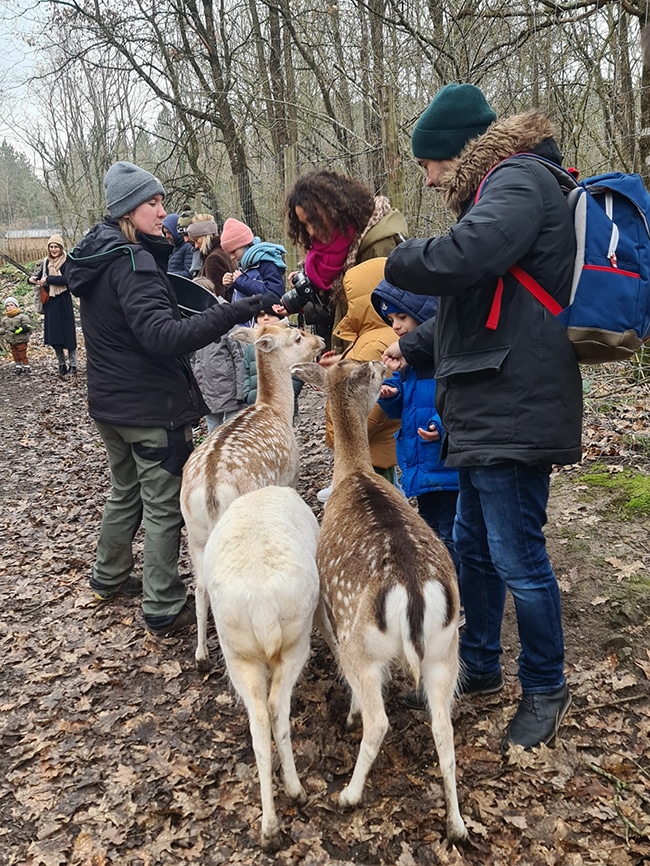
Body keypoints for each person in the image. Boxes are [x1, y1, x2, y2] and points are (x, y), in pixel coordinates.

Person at [383, 83, 581, 751]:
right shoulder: (499, 194)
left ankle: (546, 686)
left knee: (518, 555)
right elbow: (467, 315)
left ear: (453, 152)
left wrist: (392, 255)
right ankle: (479, 670)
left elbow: (460, 259)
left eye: (429, 163)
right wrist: (407, 350)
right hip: (485, 404)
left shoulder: (520, 183)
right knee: (471, 547)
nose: (428, 177)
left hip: (513, 405)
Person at [66, 160, 266, 637]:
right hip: (149, 407)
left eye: (160, 202)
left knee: (125, 490)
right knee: (160, 502)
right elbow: (161, 336)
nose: (162, 213)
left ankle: (108, 577)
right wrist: (229, 315)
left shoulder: (98, 259)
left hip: (111, 407)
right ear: (128, 211)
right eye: (151, 205)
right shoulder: (133, 262)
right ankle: (162, 604)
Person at [372, 281, 459, 570]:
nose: (396, 326)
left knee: (451, 533)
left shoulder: (444, 356)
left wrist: (440, 425)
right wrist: (390, 394)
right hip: (422, 465)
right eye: (391, 320)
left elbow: (457, 399)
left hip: (445, 464)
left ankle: (457, 589)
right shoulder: (408, 362)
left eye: (402, 317)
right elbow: (401, 409)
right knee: (430, 530)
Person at [285, 169, 407, 349]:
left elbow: (385, 325)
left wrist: (346, 362)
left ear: (335, 209)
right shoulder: (334, 253)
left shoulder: (379, 247)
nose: (310, 231)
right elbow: (347, 312)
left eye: (314, 220)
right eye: (304, 224)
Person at [316, 257, 400, 502]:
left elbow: (373, 406)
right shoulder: (378, 336)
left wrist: (346, 436)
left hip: (365, 450)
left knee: (376, 502)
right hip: (376, 447)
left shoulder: (372, 343)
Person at [242, 302, 304, 423]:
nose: (265, 318)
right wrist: (248, 395)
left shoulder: (290, 340)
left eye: (270, 314)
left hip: (283, 405)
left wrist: (291, 392)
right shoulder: (251, 344)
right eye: (260, 316)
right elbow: (246, 372)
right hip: (256, 405)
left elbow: (298, 370)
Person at [29, 234, 77, 376]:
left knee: (69, 335)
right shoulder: (46, 262)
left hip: (64, 301)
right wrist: (30, 279)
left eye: (56, 246)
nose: (54, 249)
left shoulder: (68, 261)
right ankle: (61, 364)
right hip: (51, 303)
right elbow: (39, 277)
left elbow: (68, 279)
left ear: (61, 247)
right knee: (55, 336)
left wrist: (49, 279)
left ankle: (73, 365)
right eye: (51, 247)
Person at [220, 218, 286, 301]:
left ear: (245, 243)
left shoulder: (267, 263)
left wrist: (241, 281)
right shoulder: (245, 263)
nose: (231, 257)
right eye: (228, 253)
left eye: (233, 251)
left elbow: (274, 294)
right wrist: (231, 284)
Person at [187, 219, 236, 300]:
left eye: (196, 240)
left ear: (205, 237)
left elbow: (216, 296)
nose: (195, 246)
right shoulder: (223, 252)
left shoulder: (213, 259)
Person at [1, 296, 33, 373]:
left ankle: (26, 367)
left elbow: (28, 326)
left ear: (16, 306)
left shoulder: (22, 316)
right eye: (7, 306)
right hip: (11, 340)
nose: (9, 307)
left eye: (11, 305)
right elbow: (4, 329)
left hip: (21, 339)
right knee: (15, 354)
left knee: (22, 353)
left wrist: (21, 329)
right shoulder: (5, 319)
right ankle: (18, 367)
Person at [162, 213, 194, 278]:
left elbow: (189, 273)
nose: (167, 236)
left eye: (169, 232)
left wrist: (167, 275)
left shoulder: (188, 247)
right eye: (165, 233)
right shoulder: (175, 247)